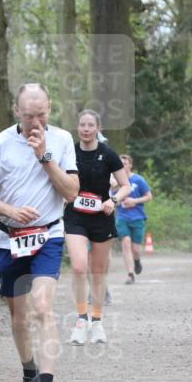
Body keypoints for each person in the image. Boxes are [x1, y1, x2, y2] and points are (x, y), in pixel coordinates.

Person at [0, 84, 79, 382]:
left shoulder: (61, 140)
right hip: (10, 239)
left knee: (42, 307)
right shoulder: (0, 144)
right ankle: (29, 374)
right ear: (16, 110)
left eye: (41, 114)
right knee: (19, 316)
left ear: (50, 107)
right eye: (28, 115)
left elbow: (72, 192)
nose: (35, 121)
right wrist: (10, 209)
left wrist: (44, 156)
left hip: (48, 235)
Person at [63, 110, 131, 345]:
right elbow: (57, 179)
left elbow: (126, 186)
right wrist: (62, 194)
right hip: (75, 216)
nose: (86, 129)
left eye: (90, 125)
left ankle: (98, 321)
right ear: (77, 127)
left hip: (101, 217)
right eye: (82, 124)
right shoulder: (69, 151)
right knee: (80, 267)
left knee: (98, 272)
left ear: (98, 127)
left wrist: (113, 201)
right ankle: (81, 320)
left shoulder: (108, 154)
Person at [115, 155, 152, 284]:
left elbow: (148, 196)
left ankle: (137, 261)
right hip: (122, 217)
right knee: (125, 243)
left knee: (136, 249)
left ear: (130, 165)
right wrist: (118, 202)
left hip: (138, 217)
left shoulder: (138, 180)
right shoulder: (114, 182)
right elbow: (110, 198)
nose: (122, 165)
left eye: (125, 163)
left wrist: (134, 201)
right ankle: (130, 274)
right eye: (120, 163)